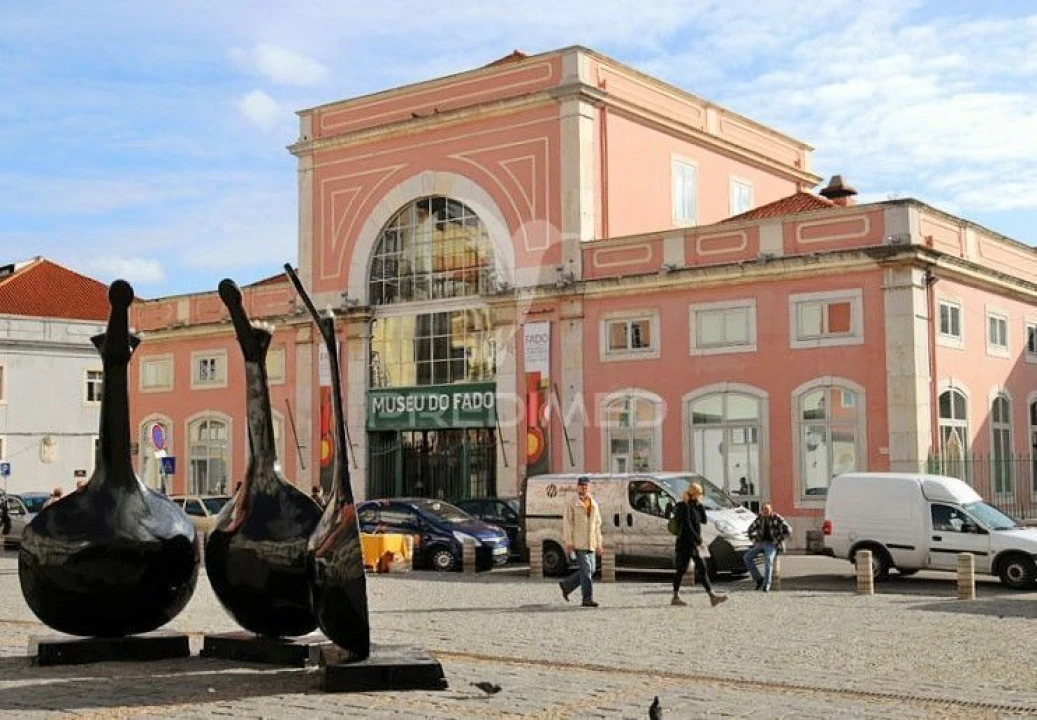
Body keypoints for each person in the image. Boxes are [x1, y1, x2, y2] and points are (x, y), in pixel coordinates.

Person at [671, 482, 727, 607]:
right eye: (700, 494)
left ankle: (712, 596)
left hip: (694, 544)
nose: (701, 496)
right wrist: (699, 540)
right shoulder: (684, 506)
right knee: (681, 569)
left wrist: (701, 506)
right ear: (695, 494)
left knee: (702, 569)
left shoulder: (696, 506)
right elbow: (687, 526)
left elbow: (703, 520)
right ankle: (675, 596)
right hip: (685, 543)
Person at [559, 476, 603, 608]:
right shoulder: (572, 503)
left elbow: (597, 525)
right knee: (587, 570)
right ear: (578, 487)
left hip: (591, 542)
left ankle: (567, 586)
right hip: (579, 542)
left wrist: (599, 544)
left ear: (590, 488)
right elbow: (567, 524)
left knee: (591, 570)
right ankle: (587, 598)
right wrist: (569, 542)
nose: (584, 488)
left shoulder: (594, 504)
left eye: (586, 486)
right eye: (582, 486)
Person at [743, 502, 792, 592]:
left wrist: (778, 539)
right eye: (764, 510)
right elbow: (750, 530)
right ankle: (758, 579)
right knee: (747, 557)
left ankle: (766, 585)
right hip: (761, 542)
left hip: (772, 543)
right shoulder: (760, 518)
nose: (766, 512)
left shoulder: (776, 517)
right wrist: (754, 540)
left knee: (768, 560)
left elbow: (788, 530)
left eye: (768, 510)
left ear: (771, 510)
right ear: (762, 511)